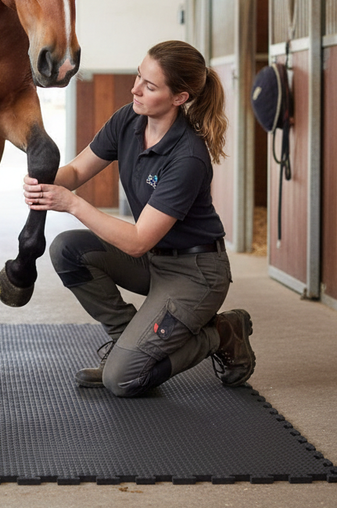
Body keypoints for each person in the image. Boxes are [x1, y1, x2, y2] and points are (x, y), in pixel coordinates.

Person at [23, 40, 256, 397]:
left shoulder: (187, 157)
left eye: (150, 86)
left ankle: (223, 332)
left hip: (195, 273)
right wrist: (44, 179)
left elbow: (137, 240)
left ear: (179, 97)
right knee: (67, 249)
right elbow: (76, 171)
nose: (135, 89)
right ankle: (127, 339)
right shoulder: (128, 119)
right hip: (152, 262)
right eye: (138, 76)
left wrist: (72, 205)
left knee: (122, 380)